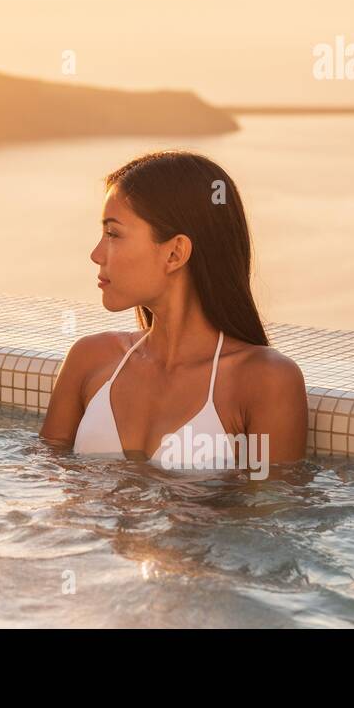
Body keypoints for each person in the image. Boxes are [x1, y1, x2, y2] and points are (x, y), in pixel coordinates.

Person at [39, 150, 308, 471]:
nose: (96, 254)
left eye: (113, 234)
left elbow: (273, 513)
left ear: (175, 253)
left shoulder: (265, 381)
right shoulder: (89, 360)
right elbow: (41, 484)